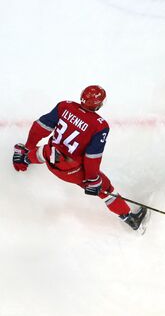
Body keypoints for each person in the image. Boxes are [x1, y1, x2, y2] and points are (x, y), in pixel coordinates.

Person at [12, 85, 149, 232]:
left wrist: (28, 145)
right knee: (105, 188)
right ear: (98, 104)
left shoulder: (65, 106)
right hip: (71, 170)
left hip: (50, 156)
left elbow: (41, 126)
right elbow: (92, 156)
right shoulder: (100, 125)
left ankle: (23, 159)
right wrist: (92, 179)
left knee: (46, 151)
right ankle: (131, 219)